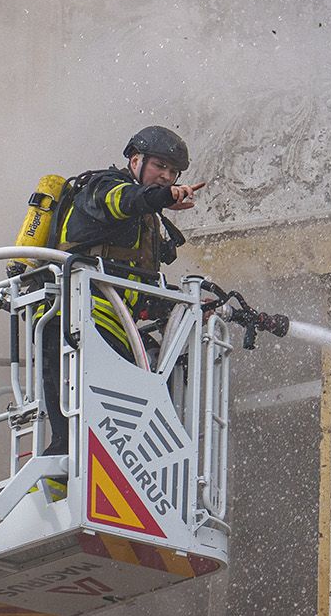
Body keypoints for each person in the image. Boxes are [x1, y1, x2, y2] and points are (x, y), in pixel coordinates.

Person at [41, 126, 207, 456]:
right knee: (72, 442)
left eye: (173, 172)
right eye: (160, 165)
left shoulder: (144, 222)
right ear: (135, 160)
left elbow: (139, 290)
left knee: (116, 433)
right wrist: (162, 197)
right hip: (75, 321)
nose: (167, 176)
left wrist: (189, 307)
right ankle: (57, 483)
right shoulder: (102, 187)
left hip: (114, 329)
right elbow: (125, 201)